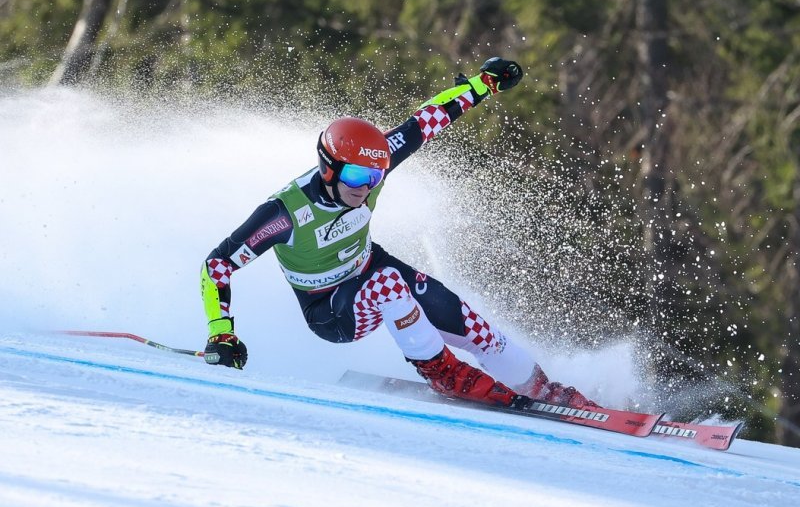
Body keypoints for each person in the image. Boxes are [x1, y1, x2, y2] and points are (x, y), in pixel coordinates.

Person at [200, 57, 597, 410]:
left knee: (471, 323)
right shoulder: (285, 213)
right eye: (355, 175)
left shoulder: (373, 166)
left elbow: (426, 121)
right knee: (388, 282)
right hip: (330, 310)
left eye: (374, 176)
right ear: (328, 168)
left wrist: (483, 84)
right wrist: (222, 335)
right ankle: (441, 371)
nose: (365, 186)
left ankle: (542, 388)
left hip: (370, 267)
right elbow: (217, 265)